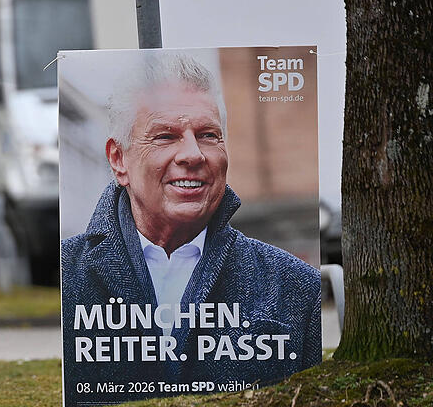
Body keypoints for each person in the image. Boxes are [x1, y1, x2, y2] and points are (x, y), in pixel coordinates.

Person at [61, 54, 321, 404]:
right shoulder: (66, 279)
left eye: (208, 135)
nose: (193, 154)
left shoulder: (297, 288)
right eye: (166, 136)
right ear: (119, 160)